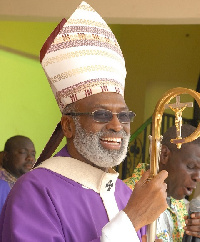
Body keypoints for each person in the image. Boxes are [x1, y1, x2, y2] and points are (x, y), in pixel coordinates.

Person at [0, 2, 168, 241]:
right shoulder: (35, 190)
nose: (117, 125)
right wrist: (131, 221)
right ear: (68, 126)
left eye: (124, 115)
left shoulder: (124, 193)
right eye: (101, 114)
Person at [124, 124, 200, 241]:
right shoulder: (124, 196)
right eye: (190, 166)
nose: (197, 177)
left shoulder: (179, 203)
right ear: (164, 154)